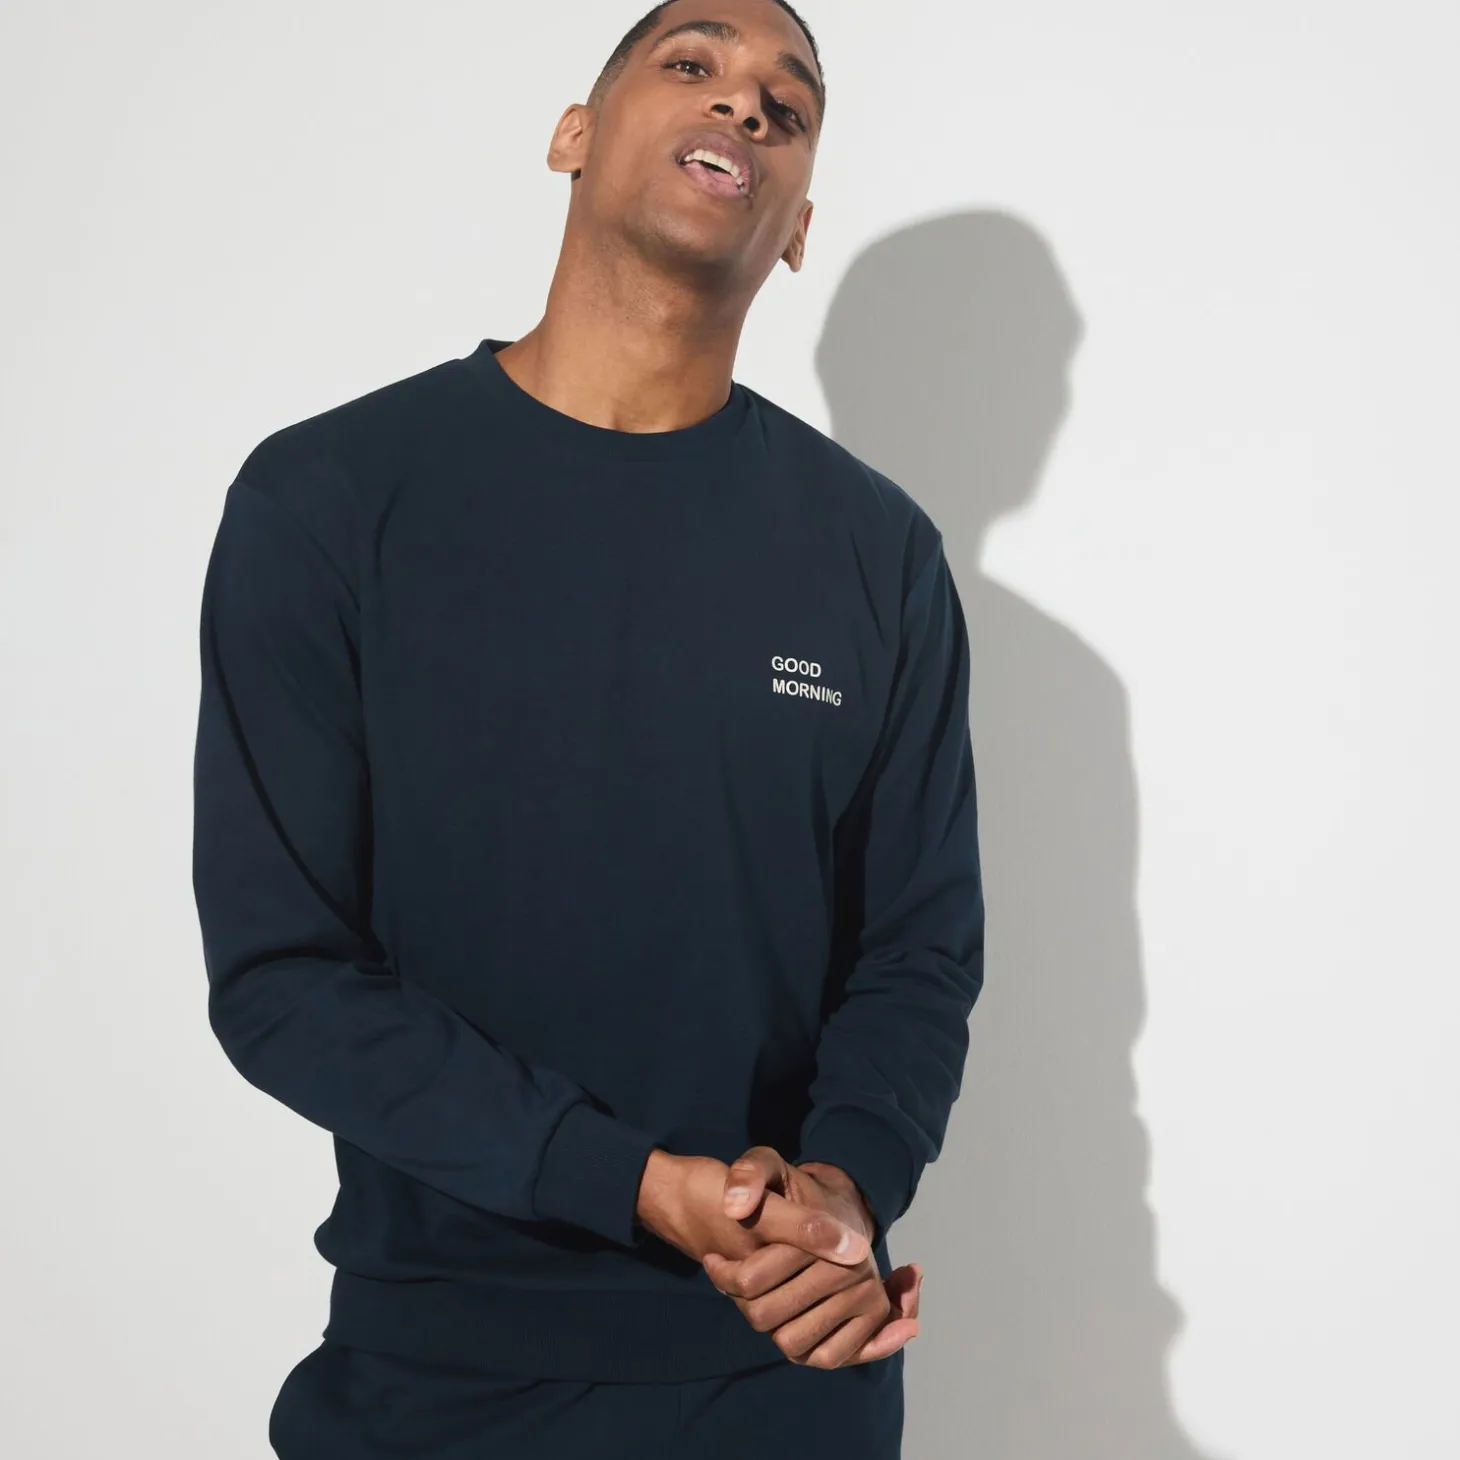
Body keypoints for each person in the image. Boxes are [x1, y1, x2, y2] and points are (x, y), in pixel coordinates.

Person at [190, 0, 985, 1454]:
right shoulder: (333, 499)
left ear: (799, 227)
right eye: (694, 63)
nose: (745, 104)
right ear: (573, 135)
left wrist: (847, 1188)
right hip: (438, 1378)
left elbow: (915, 956)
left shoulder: (879, 555)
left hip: (787, 1380)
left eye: (790, 105)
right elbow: (284, 978)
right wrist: (627, 1181)